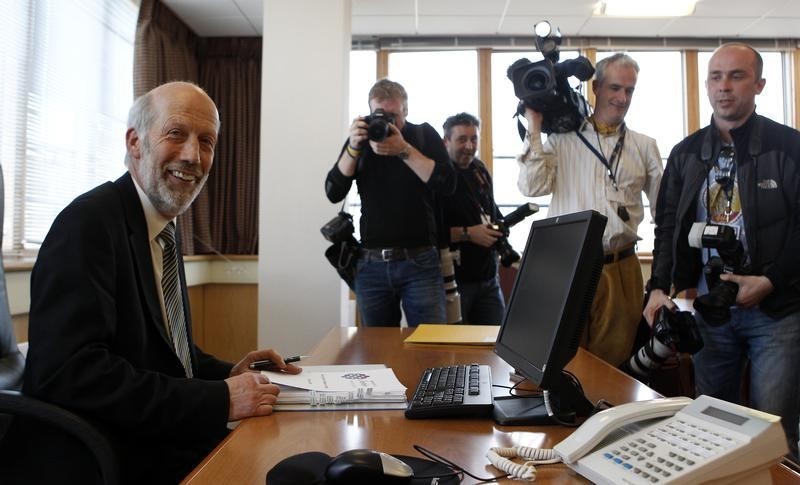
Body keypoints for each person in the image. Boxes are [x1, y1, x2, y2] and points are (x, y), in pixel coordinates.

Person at [20, 82, 302, 484]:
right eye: (176, 134)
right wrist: (220, 397)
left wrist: (227, 372)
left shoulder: (163, 228)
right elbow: (68, 373)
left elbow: (164, 355)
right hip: (106, 457)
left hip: (156, 436)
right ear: (135, 142)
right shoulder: (88, 224)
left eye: (206, 142)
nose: (193, 156)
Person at [644, 43, 800, 460]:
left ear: (760, 84)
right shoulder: (686, 153)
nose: (724, 87)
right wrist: (658, 288)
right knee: (709, 428)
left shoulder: (789, 147)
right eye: (715, 77)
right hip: (709, 308)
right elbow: (667, 228)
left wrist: (770, 280)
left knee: (774, 431)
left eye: (736, 76)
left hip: (777, 310)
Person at [516, 53, 663, 367]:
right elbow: (532, 187)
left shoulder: (645, 146)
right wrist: (535, 127)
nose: (622, 98)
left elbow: (663, 214)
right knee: (561, 362)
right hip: (566, 266)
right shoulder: (561, 140)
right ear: (596, 87)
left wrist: (664, 279)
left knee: (613, 366)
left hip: (620, 268)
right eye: (615, 88)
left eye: (629, 90)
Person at [325, 79, 456, 327]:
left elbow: (448, 185)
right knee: (376, 353)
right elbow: (333, 191)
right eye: (380, 115)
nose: (386, 122)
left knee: (429, 345)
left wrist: (404, 149)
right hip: (371, 264)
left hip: (420, 261)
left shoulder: (422, 135)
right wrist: (353, 147)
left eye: (393, 115)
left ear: (405, 111)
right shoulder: (360, 143)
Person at [441, 113, 505, 324]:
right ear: (446, 141)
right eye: (462, 140)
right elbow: (427, 231)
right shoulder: (437, 176)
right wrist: (468, 234)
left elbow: (490, 211)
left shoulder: (480, 169)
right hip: (453, 282)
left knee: (494, 348)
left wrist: (501, 228)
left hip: (488, 278)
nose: (469, 146)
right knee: (455, 352)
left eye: (474, 139)